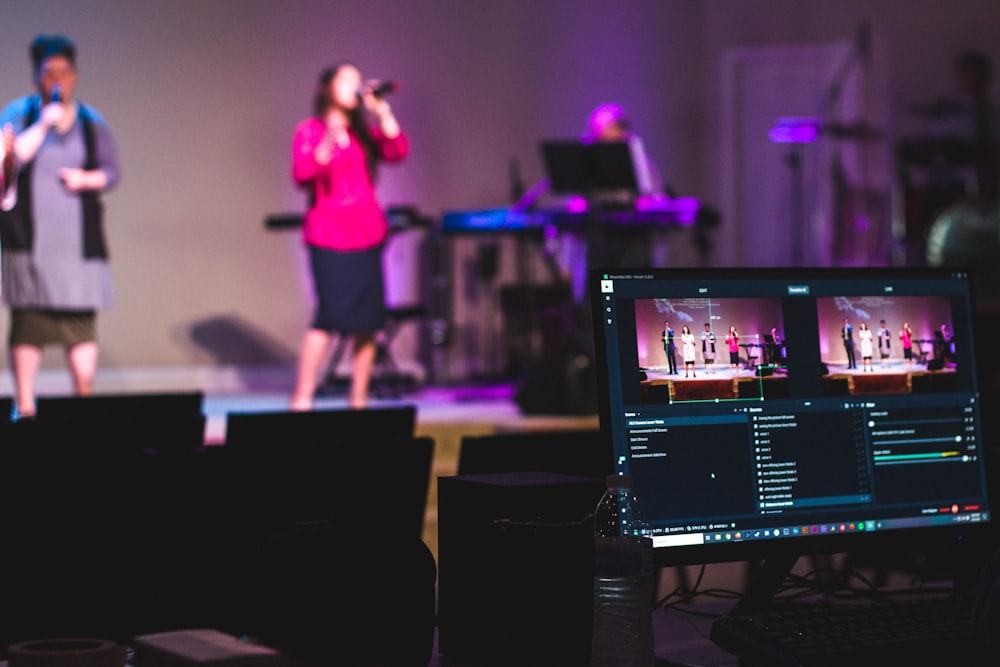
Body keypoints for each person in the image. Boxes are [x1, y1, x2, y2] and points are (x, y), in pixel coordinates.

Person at [0, 34, 121, 418]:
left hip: (76, 247)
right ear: (36, 76)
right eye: (49, 73)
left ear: (75, 75)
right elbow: (10, 159)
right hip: (31, 243)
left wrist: (87, 180)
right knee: (28, 325)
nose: (57, 81)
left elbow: (112, 171)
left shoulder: (91, 121)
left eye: (65, 73)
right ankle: (25, 406)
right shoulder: (20, 114)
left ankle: (82, 405)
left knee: (80, 326)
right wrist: (44, 124)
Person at [289, 61, 409, 410]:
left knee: (368, 321)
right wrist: (330, 133)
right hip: (328, 234)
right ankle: (302, 398)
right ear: (327, 88)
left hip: (366, 232)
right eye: (347, 81)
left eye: (358, 81)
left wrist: (381, 111)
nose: (354, 87)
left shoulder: (363, 133)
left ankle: (359, 399)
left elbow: (397, 151)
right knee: (328, 316)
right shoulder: (310, 131)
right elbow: (304, 173)